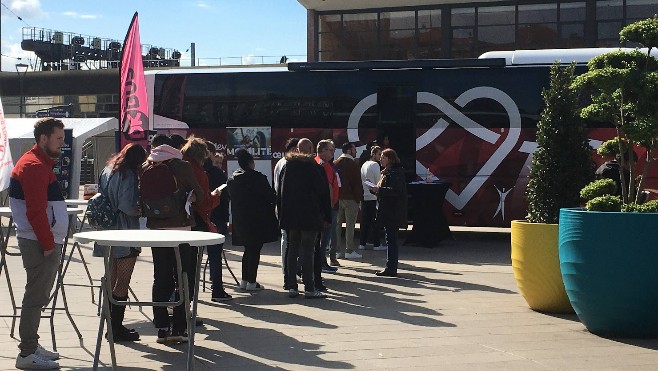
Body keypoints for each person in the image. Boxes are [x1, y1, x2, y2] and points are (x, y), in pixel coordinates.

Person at [9, 118, 66, 369]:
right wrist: (48, 243)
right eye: (59, 138)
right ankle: (27, 353)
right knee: (35, 298)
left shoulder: (37, 163)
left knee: (37, 297)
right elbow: (35, 211)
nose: (62, 144)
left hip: (41, 240)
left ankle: (31, 345)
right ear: (43, 139)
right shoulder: (34, 165)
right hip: (39, 242)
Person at [143, 135, 204, 344]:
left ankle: (161, 328)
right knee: (183, 276)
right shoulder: (182, 166)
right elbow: (200, 194)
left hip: (156, 228)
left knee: (160, 277)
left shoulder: (146, 166)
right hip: (181, 229)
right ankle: (179, 327)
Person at [92, 143, 146, 342]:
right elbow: (127, 205)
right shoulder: (128, 175)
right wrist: (141, 209)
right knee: (122, 281)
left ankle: (109, 326)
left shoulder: (108, 170)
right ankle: (116, 328)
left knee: (111, 277)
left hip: (107, 231)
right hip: (124, 231)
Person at [278, 138, 331, 299]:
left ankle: (292, 286)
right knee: (308, 251)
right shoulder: (315, 168)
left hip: (292, 217)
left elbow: (280, 193)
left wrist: (282, 216)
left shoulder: (287, 167)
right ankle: (309, 287)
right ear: (310, 150)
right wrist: (327, 216)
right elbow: (324, 195)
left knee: (292, 249)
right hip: (310, 216)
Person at [227, 149, 279, 291]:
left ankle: (244, 280)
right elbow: (270, 196)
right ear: (251, 162)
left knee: (248, 249)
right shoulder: (258, 178)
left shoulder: (232, 179)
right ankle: (251, 282)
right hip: (258, 220)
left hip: (241, 220)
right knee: (254, 250)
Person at [181, 136, 222, 314]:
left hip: (170, 222)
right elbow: (204, 203)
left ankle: (165, 311)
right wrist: (216, 197)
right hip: (194, 223)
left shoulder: (176, 165)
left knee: (170, 268)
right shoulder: (198, 172)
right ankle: (185, 309)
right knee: (190, 268)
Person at [367, 149, 408, 277]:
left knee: (391, 240)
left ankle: (391, 268)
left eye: (383, 157)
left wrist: (379, 189)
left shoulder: (395, 172)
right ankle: (390, 266)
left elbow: (395, 191)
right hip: (389, 210)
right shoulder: (389, 172)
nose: (381, 159)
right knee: (389, 239)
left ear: (390, 158)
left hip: (392, 211)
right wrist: (375, 190)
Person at [203, 142, 232, 301]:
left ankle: (188, 291)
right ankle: (217, 289)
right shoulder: (218, 174)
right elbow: (226, 197)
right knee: (215, 255)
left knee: (193, 256)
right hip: (216, 218)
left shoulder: (192, 170)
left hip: (197, 217)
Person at [274, 137, 299, 278]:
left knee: (287, 239)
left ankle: (288, 269)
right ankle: (288, 271)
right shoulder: (287, 164)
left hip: (282, 204)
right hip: (286, 206)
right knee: (288, 240)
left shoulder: (281, 163)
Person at [334, 142, 363, 260]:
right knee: (350, 226)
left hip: (338, 198)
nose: (355, 151)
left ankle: (336, 251)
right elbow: (356, 184)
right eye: (354, 149)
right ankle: (349, 250)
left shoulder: (335, 163)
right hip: (350, 198)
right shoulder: (353, 164)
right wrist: (358, 200)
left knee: (337, 225)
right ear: (349, 150)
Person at [315, 139, 339, 275]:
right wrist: (329, 208)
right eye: (331, 150)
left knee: (324, 238)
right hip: (327, 208)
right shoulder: (323, 165)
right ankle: (321, 262)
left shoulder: (324, 164)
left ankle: (321, 262)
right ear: (323, 151)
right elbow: (328, 187)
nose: (333, 152)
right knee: (324, 239)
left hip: (327, 206)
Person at [359, 145, 386, 251]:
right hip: (374, 197)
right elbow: (379, 181)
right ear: (373, 154)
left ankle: (362, 243)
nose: (380, 157)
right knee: (375, 222)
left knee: (365, 222)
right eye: (379, 154)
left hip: (365, 195)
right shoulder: (375, 165)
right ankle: (376, 244)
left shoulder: (364, 164)